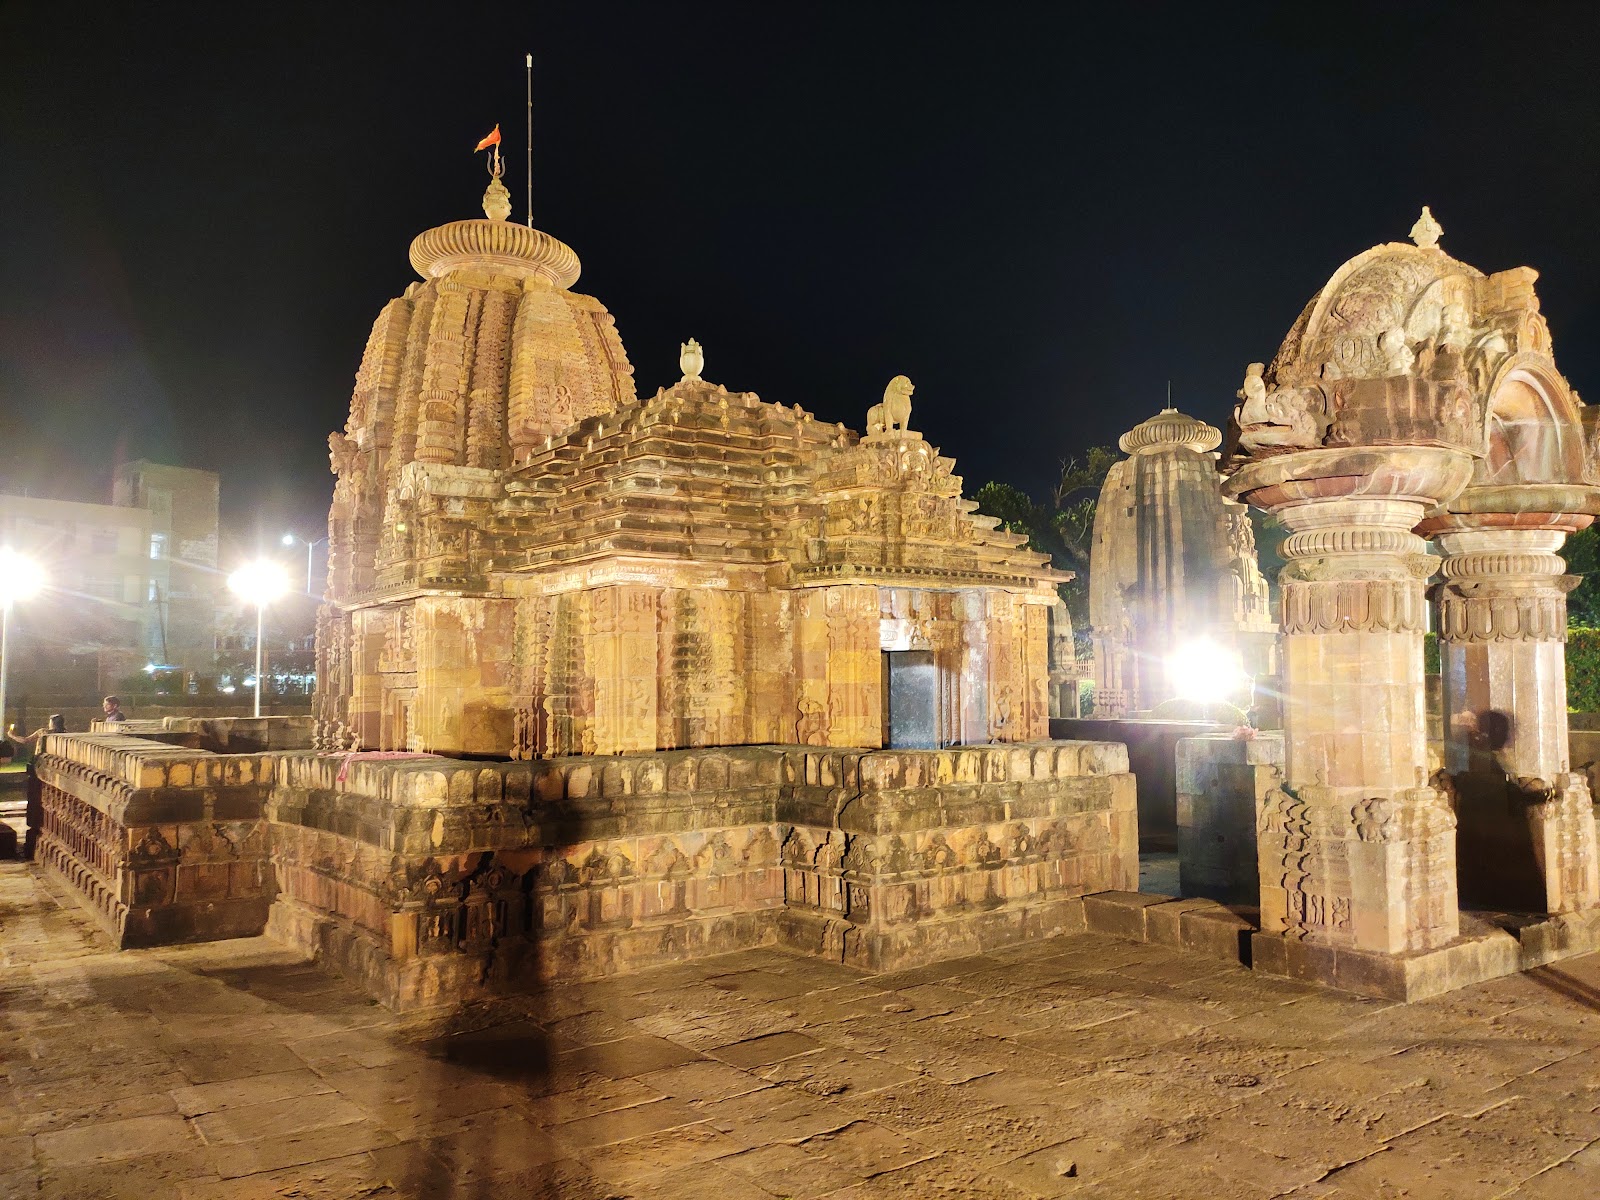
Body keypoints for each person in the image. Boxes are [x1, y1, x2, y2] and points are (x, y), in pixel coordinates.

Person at [5, 714, 62, 861]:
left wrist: (11, 735)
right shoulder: (65, 734)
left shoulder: (43, 732)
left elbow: (24, 741)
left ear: (51, 723)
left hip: (40, 764)